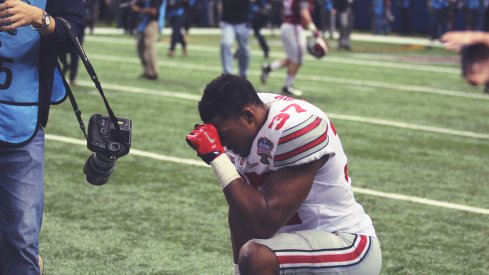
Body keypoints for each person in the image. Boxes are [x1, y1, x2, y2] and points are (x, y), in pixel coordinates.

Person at [186, 74, 382, 275]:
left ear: (248, 116)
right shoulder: (244, 119)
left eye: (225, 135)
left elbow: (264, 224)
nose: (224, 144)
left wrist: (218, 158)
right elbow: (240, 211)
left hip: (346, 246)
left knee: (257, 257)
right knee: (247, 230)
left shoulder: (297, 128)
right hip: (291, 252)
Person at [0, 0, 85, 274]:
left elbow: (74, 36)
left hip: (22, 123)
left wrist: (40, 18)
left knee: (22, 236)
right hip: (21, 117)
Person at [260, 0, 322, 96]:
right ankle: (287, 86)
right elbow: (303, 12)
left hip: (288, 25)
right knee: (298, 59)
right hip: (293, 26)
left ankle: (268, 68)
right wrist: (313, 28)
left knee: (292, 58)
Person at [132, 0, 164, 80]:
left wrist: (139, 10)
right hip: (143, 23)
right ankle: (147, 70)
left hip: (151, 24)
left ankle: (153, 72)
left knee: (150, 48)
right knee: (140, 48)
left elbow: (153, 11)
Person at [220, 0, 251, 78]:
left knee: (244, 50)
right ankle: (228, 74)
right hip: (227, 21)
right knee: (226, 44)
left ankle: (243, 74)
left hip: (242, 22)